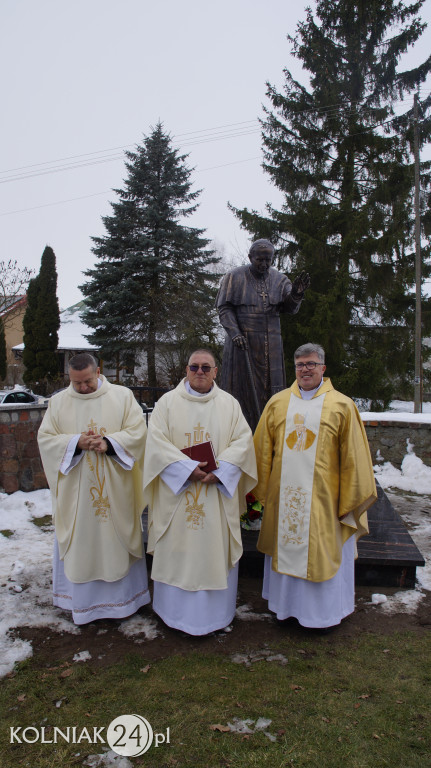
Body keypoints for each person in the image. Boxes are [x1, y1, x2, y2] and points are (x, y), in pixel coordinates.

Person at [253, 343, 377, 629]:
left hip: (325, 500)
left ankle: (322, 615)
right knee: (287, 545)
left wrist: (348, 500)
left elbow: (354, 458)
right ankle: (285, 609)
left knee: (322, 549)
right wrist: (258, 493)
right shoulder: (278, 402)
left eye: (311, 364)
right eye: (299, 365)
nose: (305, 369)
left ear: (323, 367)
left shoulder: (342, 405)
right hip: (284, 497)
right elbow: (261, 450)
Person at [143, 349, 257, 635]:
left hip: (216, 493)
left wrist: (221, 472)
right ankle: (174, 614)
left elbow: (243, 442)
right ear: (186, 369)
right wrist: (186, 469)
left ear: (215, 371)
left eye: (206, 367)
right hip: (177, 496)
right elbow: (155, 442)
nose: (200, 372)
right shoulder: (166, 404)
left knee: (213, 549)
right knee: (177, 550)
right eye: (195, 366)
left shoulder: (229, 405)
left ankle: (215, 616)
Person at [38, 353, 150, 625]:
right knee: (82, 541)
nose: (83, 388)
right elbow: (46, 440)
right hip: (76, 492)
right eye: (77, 383)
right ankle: (82, 603)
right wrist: (76, 442)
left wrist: (109, 444)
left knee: (115, 538)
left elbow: (138, 432)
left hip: (116, 489)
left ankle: (125, 602)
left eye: (88, 381)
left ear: (98, 371)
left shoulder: (122, 397)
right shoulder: (58, 402)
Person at [216, 239, 310, 431]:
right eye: (260, 260)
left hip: (271, 342)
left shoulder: (279, 279)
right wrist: (234, 333)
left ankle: (269, 434)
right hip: (243, 342)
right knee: (240, 392)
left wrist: (296, 295)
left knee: (270, 392)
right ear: (250, 257)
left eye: (269, 260)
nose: (265, 264)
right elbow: (224, 308)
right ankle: (240, 434)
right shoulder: (235, 277)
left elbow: (290, 309)